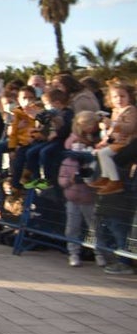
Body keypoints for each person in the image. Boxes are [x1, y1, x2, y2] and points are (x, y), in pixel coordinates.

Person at [58, 111, 102, 267]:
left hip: (89, 198)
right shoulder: (68, 161)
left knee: (94, 227)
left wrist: (88, 177)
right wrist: (70, 180)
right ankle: (73, 253)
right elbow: (61, 180)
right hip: (72, 198)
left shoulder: (93, 156)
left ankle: (100, 254)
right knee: (72, 227)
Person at [89, 79, 136, 196]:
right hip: (117, 141)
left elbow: (130, 128)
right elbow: (113, 133)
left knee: (104, 154)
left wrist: (113, 124)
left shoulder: (130, 110)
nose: (119, 99)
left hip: (126, 141)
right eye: (115, 97)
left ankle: (115, 181)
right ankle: (106, 177)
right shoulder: (115, 111)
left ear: (129, 97)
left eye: (122, 96)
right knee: (100, 152)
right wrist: (105, 141)